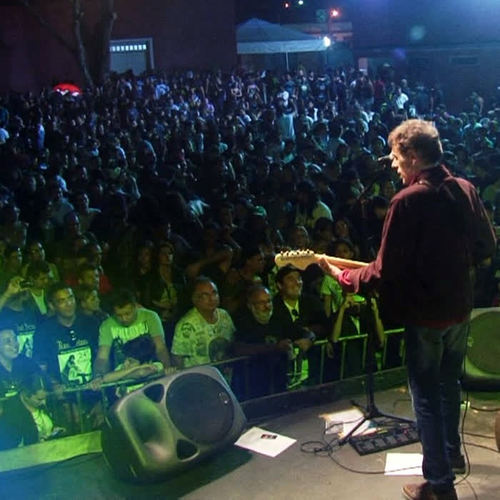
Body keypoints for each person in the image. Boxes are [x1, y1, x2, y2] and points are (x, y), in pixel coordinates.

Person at [319, 119, 496, 500]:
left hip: (425, 315)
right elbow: (486, 246)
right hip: (460, 310)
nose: (394, 165)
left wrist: (342, 277)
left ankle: (439, 484)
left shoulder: (407, 202)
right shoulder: (465, 189)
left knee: (426, 396)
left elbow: (382, 272)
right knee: (449, 385)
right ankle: (453, 456)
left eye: (397, 158)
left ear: (414, 157)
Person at [93, 288, 173, 378]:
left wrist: (167, 367)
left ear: (135, 307)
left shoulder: (150, 317)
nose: (124, 319)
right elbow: (102, 357)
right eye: (119, 315)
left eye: (128, 314)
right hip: (125, 375)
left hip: (152, 371)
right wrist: (98, 376)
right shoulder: (107, 325)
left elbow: (160, 347)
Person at [171, 276, 234, 368]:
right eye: (205, 295)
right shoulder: (186, 325)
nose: (211, 298)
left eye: (214, 293)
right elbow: (177, 357)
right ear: (194, 299)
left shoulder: (224, 315)